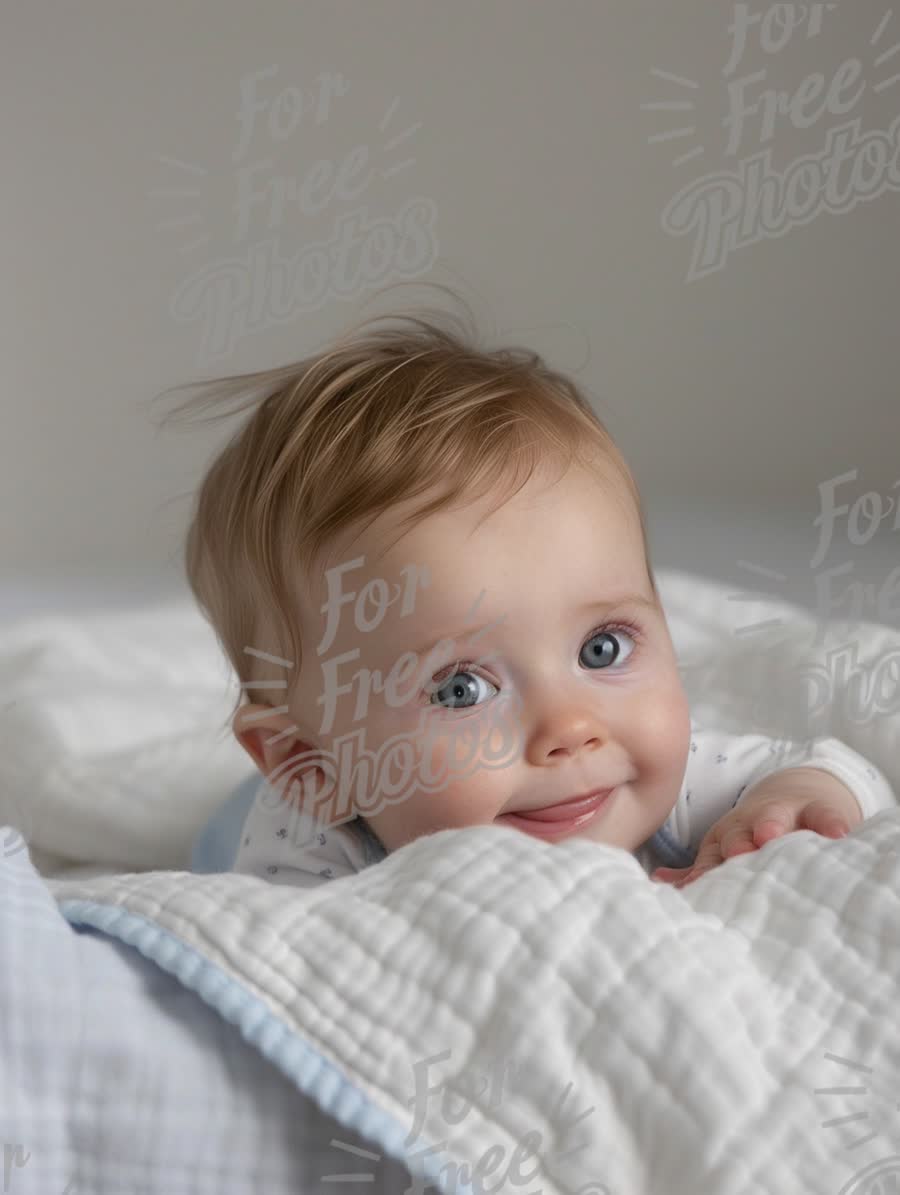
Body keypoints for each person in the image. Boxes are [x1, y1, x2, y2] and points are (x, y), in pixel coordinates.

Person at [162, 287, 896, 894]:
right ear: (312, 768)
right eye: (459, 689)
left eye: (602, 647)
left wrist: (786, 804)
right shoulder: (308, 867)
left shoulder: (656, 774)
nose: (570, 727)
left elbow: (841, 771)